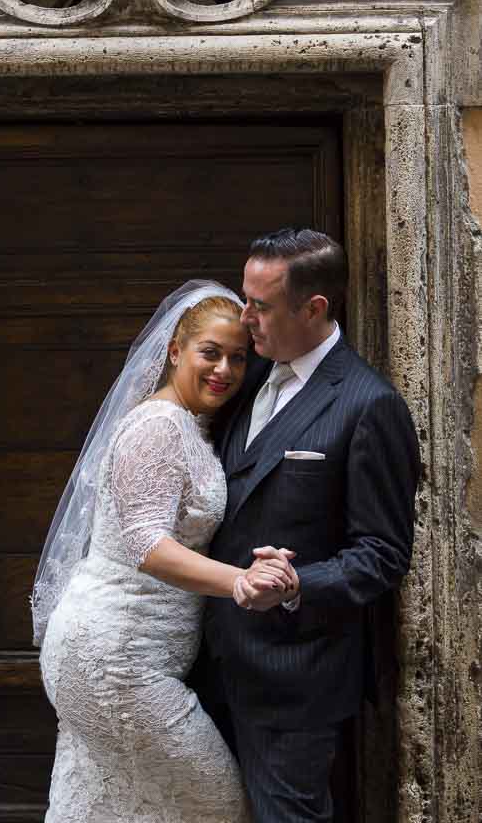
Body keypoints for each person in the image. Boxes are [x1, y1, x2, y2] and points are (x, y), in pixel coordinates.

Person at [31, 281, 296, 823]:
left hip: (133, 657)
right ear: (175, 351)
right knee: (217, 804)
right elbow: (147, 546)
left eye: (238, 358)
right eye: (210, 353)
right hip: (113, 659)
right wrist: (241, 581)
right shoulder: (156, 427)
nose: (224, 369)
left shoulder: (191, 426)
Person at [199, 229, 421, 823]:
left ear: (314, 308)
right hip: (209, 662)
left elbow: (382, 553)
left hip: (295, 679)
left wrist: (297, 584)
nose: (244, 318)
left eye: (261, 305)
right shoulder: (244, 379)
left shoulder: (370, 404)